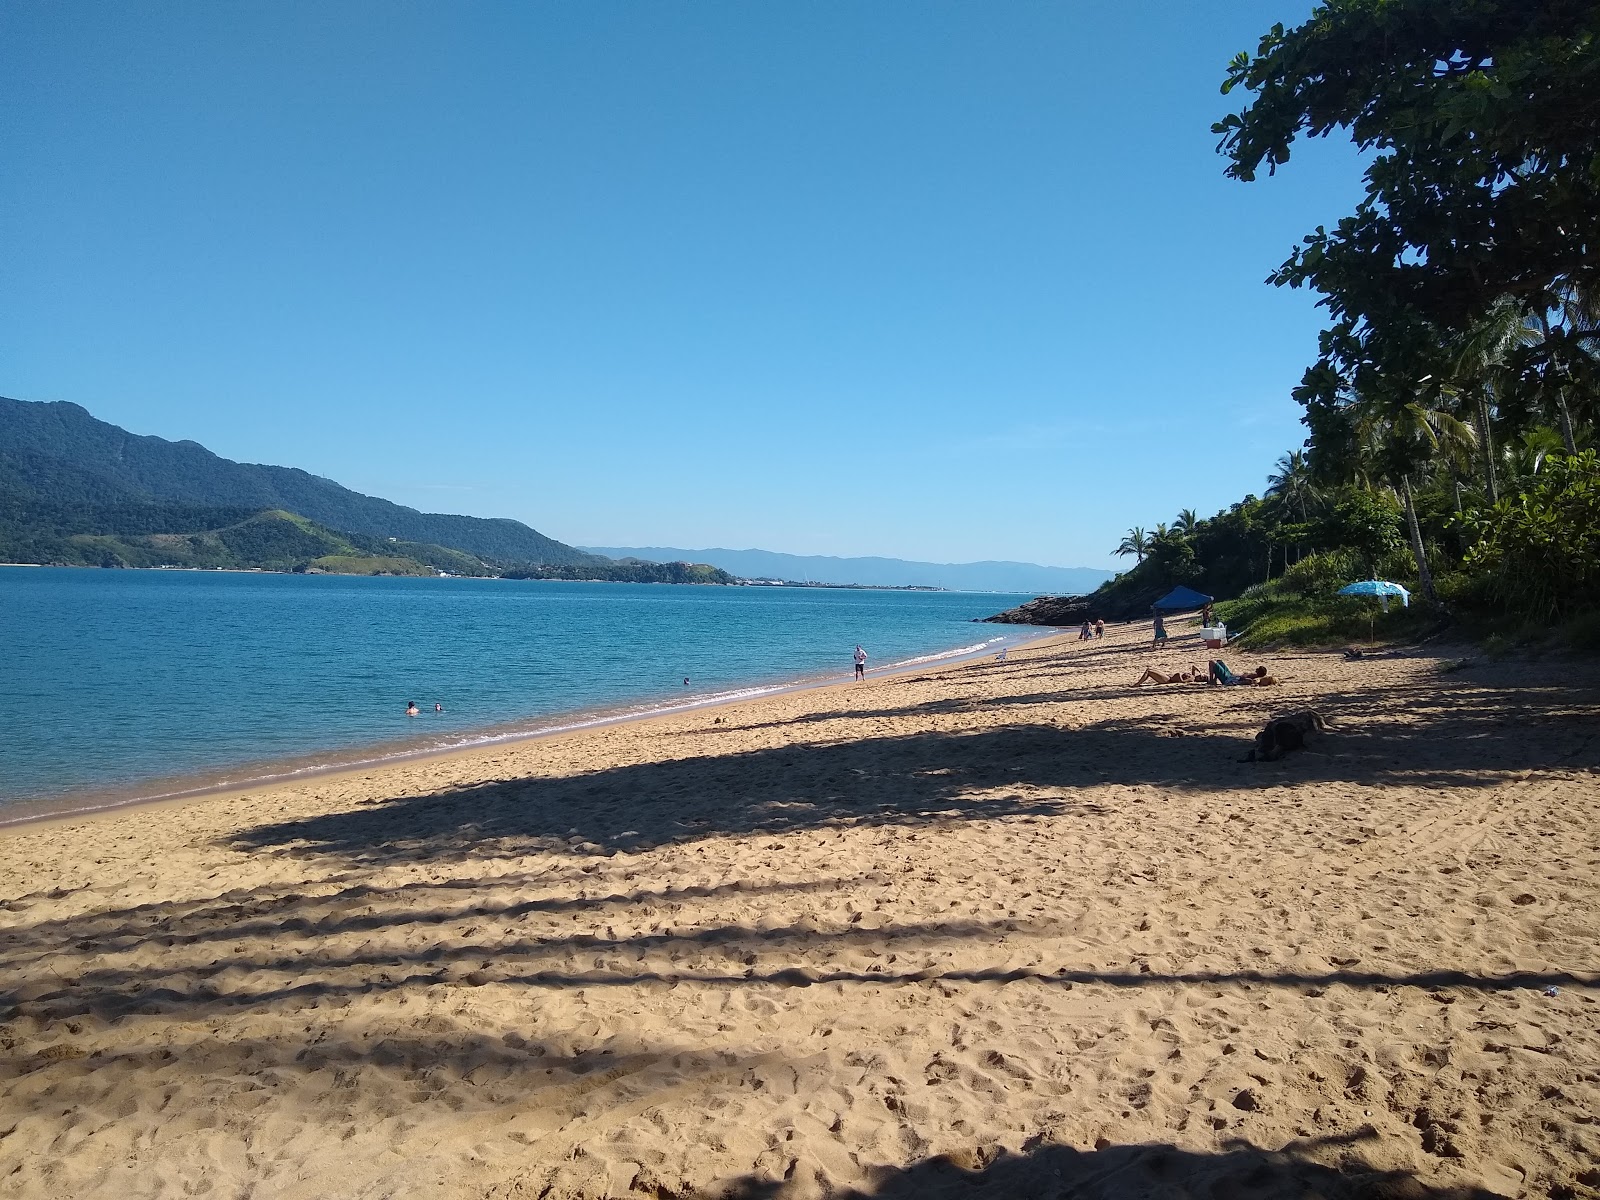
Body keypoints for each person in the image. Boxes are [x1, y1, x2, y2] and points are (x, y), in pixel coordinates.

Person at [1135, 665, 1202, 686]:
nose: (1199, 676)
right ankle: (1139, 683)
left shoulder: (1192, 679)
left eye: (1201, 677)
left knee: (1149, 672)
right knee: (1149, 669)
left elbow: (1182, 681)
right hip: (1168, 676)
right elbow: (1193, 667)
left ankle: (1137, 684)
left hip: (1167, 680)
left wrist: (1179, 675)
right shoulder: (1193, 675)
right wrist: (1200, 671)